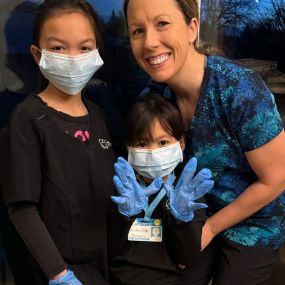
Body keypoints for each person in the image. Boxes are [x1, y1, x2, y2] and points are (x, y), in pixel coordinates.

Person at [123, 0, 285, 284]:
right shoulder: (154, 96)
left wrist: (209, 229)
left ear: (191, 28)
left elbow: (277, 177)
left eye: (162, 24)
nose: (149, 42)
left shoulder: (239, 89)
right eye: (137, 30)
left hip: (253, 222)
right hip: (192, 215)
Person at [0, 1, 135, 284]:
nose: (73, 58)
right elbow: (21, 208)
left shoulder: (98, 117)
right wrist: (59, 274)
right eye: (59, 48)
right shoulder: (27, 119)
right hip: (58, 274)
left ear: (97, 53)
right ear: (38, 55)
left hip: (104, 269)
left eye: (84, 48)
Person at [110, 94, 214, 285]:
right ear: (129, 146)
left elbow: (188, 257)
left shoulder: (188, 191)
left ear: (181, 143)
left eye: (163, 143)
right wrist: (124, 216)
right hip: (120, 279)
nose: (152, 152)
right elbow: (110, 249)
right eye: (142, 143)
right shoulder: (122, 186)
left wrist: (182, 220)